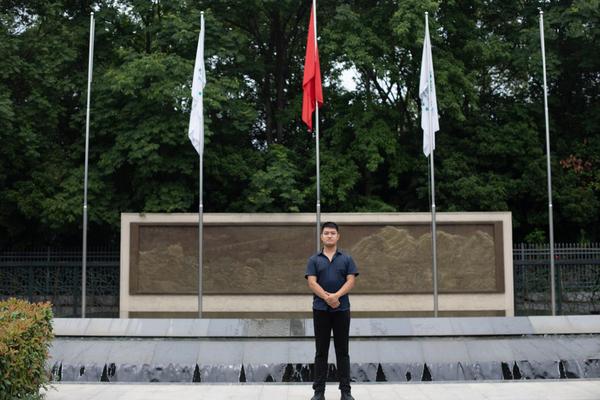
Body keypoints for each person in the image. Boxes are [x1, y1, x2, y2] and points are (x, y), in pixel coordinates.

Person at [305, 222, 359, 400]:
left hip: (341, 309)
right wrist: (327, 298)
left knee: (342, 351)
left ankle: (346, 392)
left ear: (338, 236)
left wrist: (336, 296)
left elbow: (351, 281)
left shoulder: (347, 259)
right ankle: (318, 392)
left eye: (333, 233)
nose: (329, 236)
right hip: (320, 309)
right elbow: (312, 282)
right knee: (321, 351)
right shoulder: (314, 260)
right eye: (326, 233)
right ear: (321, 236)